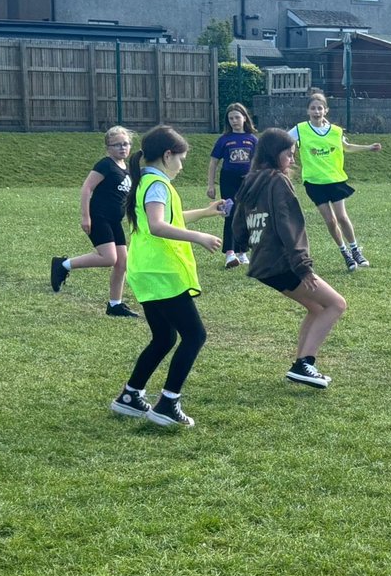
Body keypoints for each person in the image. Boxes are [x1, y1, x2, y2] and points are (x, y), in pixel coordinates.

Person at [110, 125, 224, 427]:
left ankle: (130, 396)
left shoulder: (147, 181)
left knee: (164, 337)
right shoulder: (157, 184)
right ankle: (167, 404)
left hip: (147, 270)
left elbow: (166, 218)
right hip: (162, 272)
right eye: (181, 159)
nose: (182, 166)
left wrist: (206, 212)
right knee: (195, 336)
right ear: (167, 155)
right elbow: (158, 225)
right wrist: (199, 237)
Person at [233, 128, 347, 388]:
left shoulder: (250, 180)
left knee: (316, 308)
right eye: (289, 154)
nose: (292, 160)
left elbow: (238, 222)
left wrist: (242, 243)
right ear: (275, 154)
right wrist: (303, 267)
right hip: (281, 262)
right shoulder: (278, 182)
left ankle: (301, 366)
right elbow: (288, 225)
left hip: (262, 263)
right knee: (336, 304)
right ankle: (304, 363)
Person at [50, 126, 141, 317]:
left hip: (115, 221)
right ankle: (63, 265)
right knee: (109, 258)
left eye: (126, 144)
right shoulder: (105, 165)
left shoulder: (126, 168)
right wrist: (85, 216)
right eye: (117, 145)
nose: (122, 148)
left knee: (122, 263)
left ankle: (114, 305)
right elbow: (86, 188)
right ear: (108, 147)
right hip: (99, 217)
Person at [289, 90, 382, 272]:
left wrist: (368, 147)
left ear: (326, 110)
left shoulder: (335, 131)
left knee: (342, 217)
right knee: (330, 221)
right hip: (314, 182)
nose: (316, 111)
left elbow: (347, 147)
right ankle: (345, 253)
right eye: (313, 108)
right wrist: (289, 154)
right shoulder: (300, 129)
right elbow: (284, 141)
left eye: (320, 108)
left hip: (335, 180)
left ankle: (355, 250)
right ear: (308, 111)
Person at [206, 102, 258, 270]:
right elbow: (213, 162)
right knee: (231, 213)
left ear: (244, 118)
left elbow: (259, 162)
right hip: (229, 180)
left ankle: (242, 251)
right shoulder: (224, 140)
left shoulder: (252, 139)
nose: (234, 121)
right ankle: (230, 252)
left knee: (246, 215)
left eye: (237, 117)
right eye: (231, 118)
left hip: (247, 181)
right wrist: (210, 185)